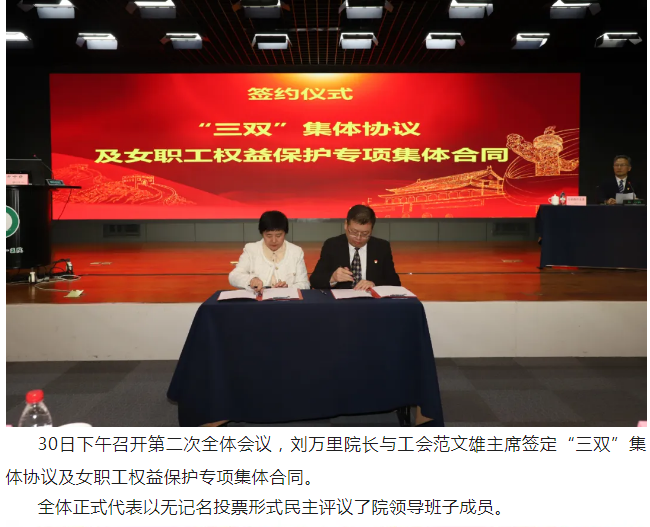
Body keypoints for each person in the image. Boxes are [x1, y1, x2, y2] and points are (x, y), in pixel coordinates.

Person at [310, 204, 401, 291]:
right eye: (354, 232)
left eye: (365, 234)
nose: (358, 238)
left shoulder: (381, 247)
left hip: (371, 300)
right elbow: (315, 280)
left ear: (372, 230)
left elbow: (395, 283)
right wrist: (333, 278)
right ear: (346, 225)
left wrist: (374, 284)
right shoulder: (332, 245)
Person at [229, 210, 310, 292]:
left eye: (278, 235)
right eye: (269, 235)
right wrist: (251, 280)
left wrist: (288, 288)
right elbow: (234, 276)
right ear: (262, 233)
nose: (274, 240)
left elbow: (304, 284)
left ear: (285, 233)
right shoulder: (251, 250)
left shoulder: (296, 252)